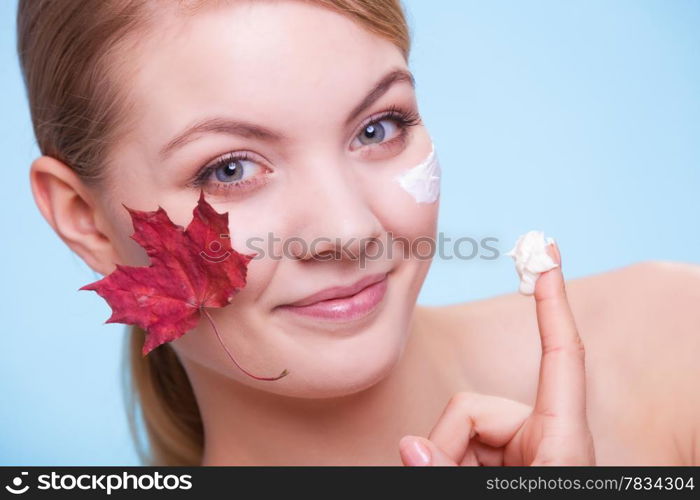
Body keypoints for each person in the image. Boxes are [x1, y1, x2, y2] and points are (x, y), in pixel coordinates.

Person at [18, 0, 700, 466]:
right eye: (230, 168)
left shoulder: (676, 338)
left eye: (379, 128)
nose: (349, 229)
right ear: (85, 220)